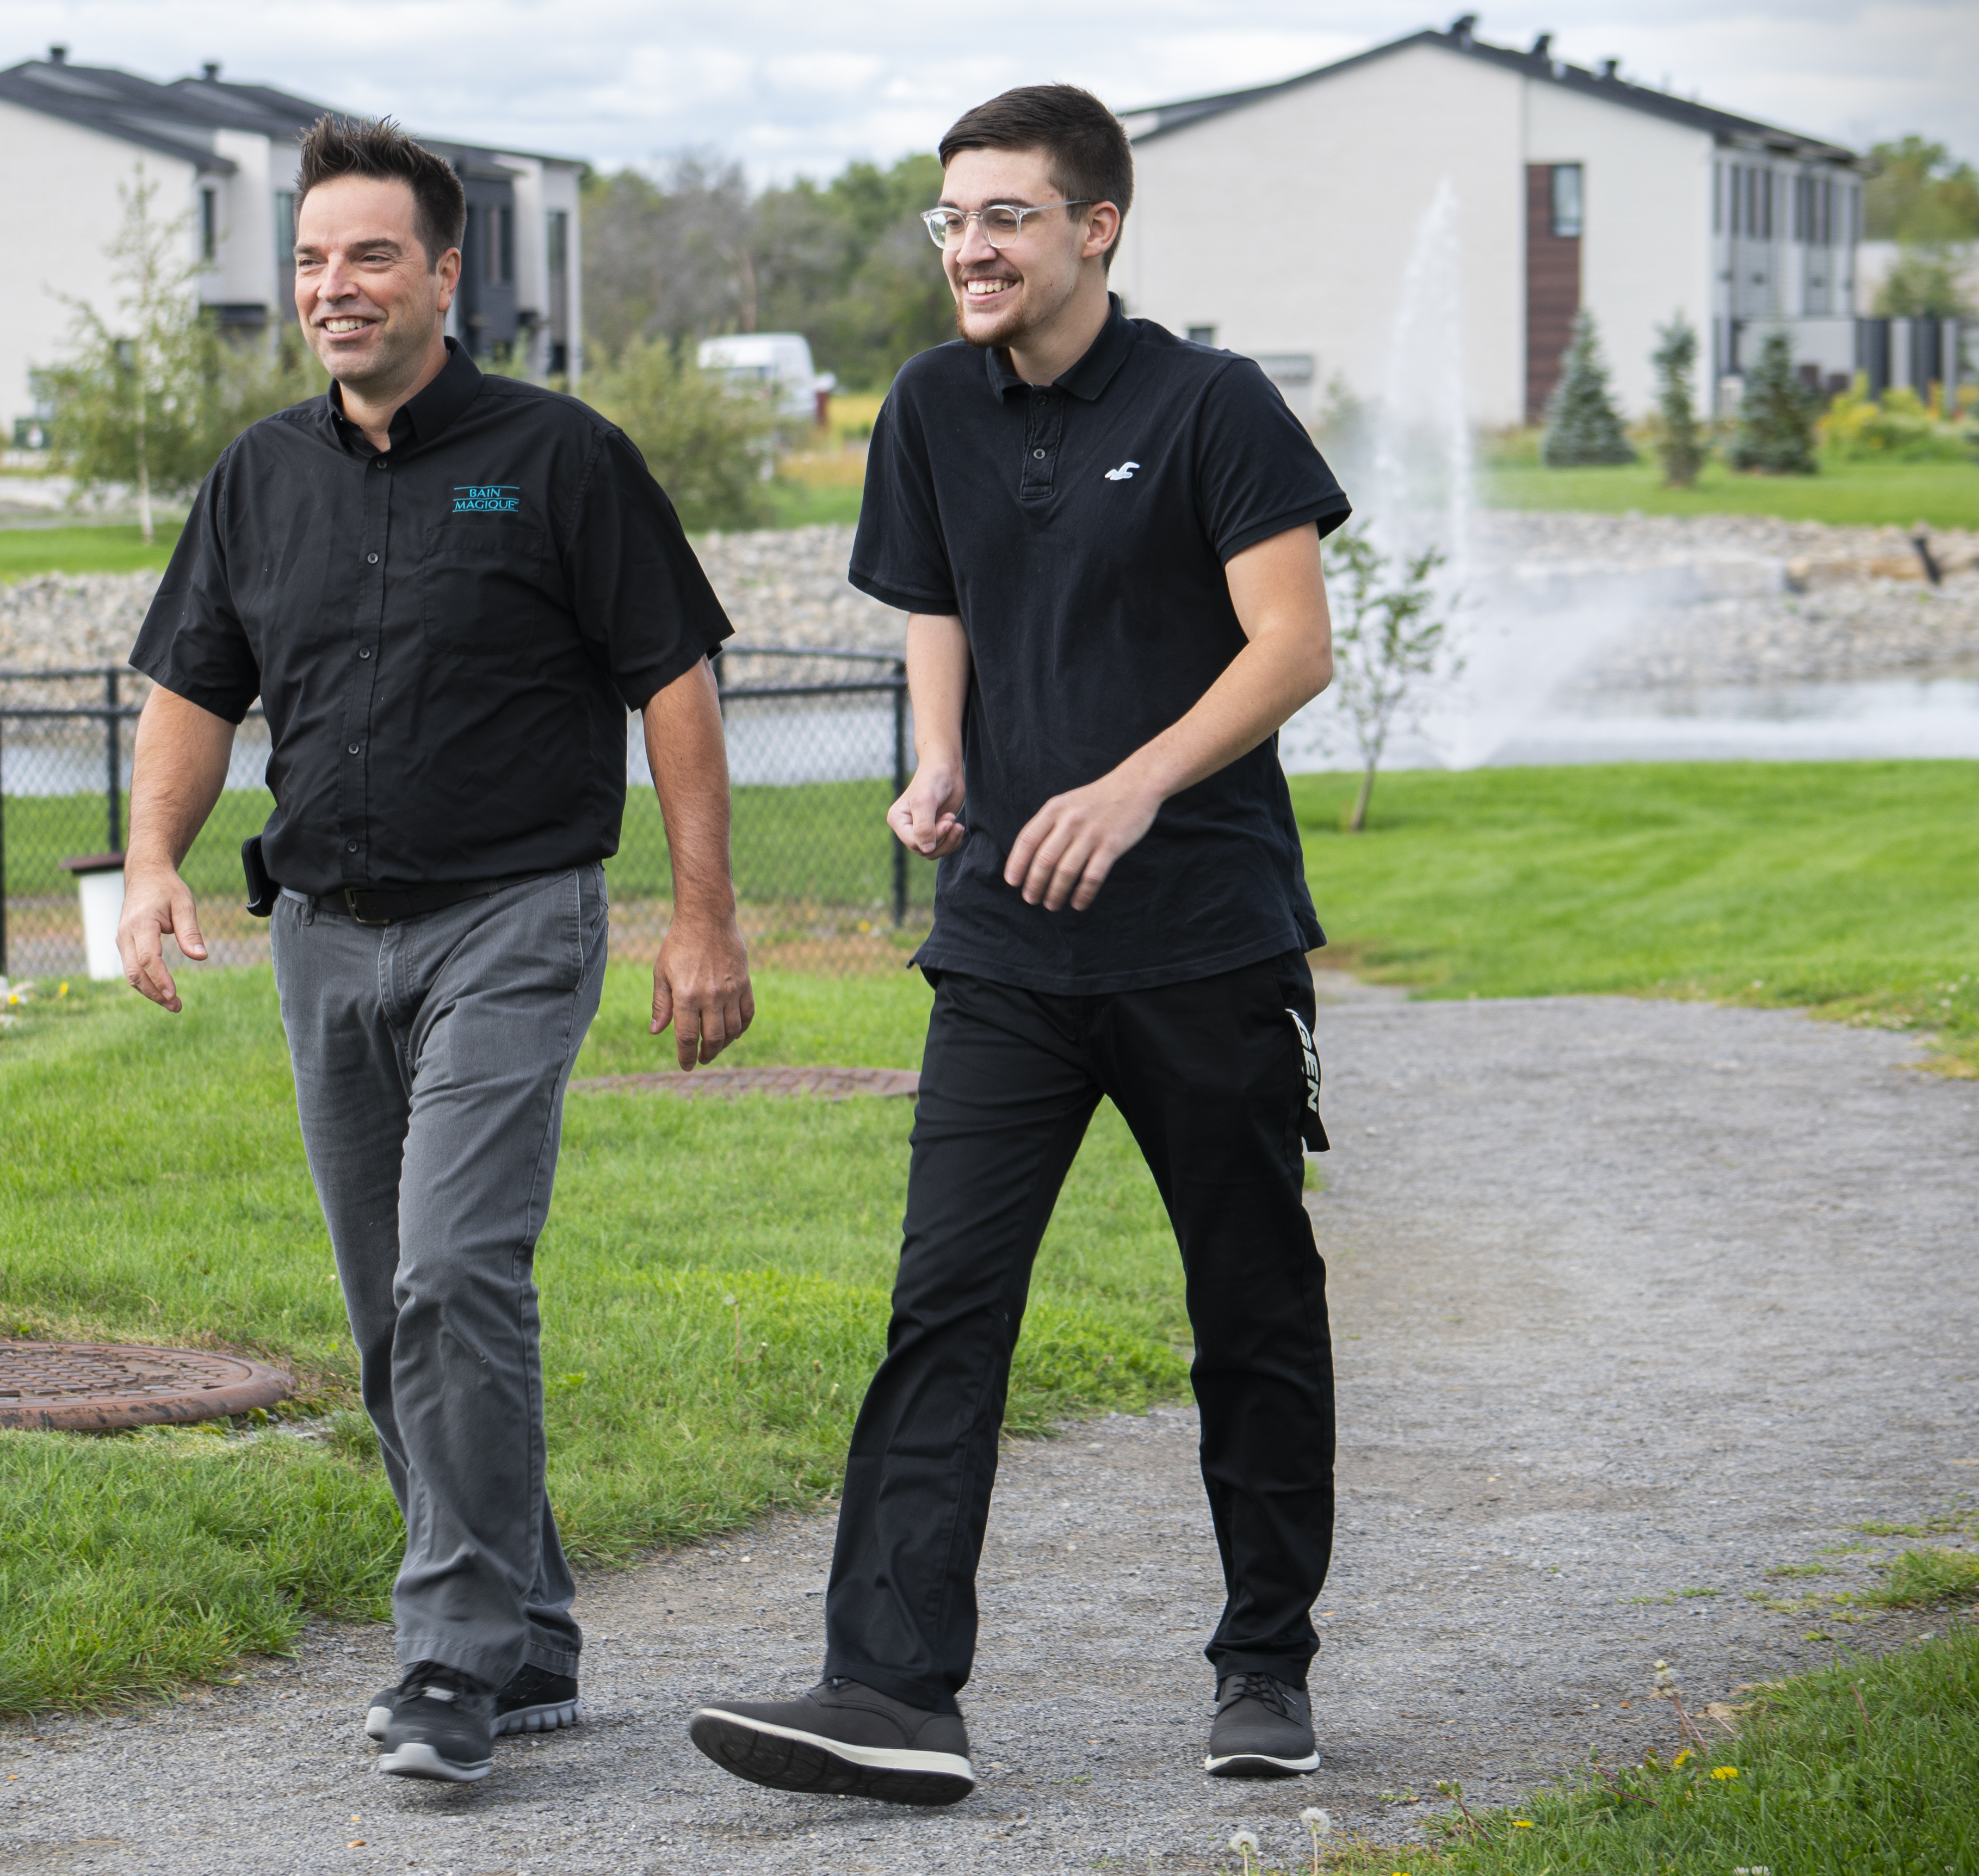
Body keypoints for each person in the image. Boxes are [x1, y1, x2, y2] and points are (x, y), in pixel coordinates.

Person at [688, 82, 1347, 1804]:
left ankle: (1265, 1664)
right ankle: (891, 1690)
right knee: (945, 1304)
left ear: (1096, 229)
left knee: (1251, 1298)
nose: (969, 250)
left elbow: (1291, 649)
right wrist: (940, 759)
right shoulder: (926, 405)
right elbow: (944, 601)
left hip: (1204, 935)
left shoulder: (1213, 405)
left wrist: (1131, 787)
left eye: (1005, 219)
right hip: (1004, 949)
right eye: (951, 221)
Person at [120, 115, 755, 1787]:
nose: (335, 287)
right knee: (386, 1309)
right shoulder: (259, 476)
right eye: (312, 260)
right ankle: (532, 1632)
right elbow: (194, 691)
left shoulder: (560, 457)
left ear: (447, 274)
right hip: (323, 936)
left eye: (371, 255)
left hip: (511, 922)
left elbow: (673, 686)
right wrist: (148, 868)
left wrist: (704, 918)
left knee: (455, 1271)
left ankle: (451, 1664)